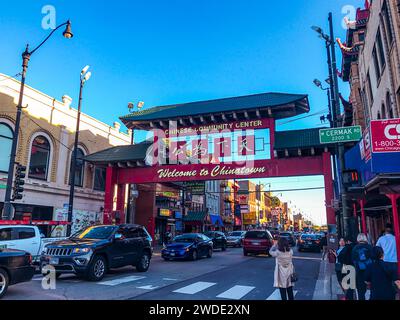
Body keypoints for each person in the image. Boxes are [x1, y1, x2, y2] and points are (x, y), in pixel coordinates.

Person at [351, 233, 373, 300]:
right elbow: (373, 257)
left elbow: (353, 259)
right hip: (369, 269)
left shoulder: (355, 248)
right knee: (371, 286)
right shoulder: (369, 247)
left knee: (361, 289)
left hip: (359, 270)